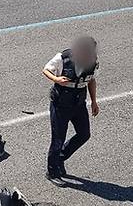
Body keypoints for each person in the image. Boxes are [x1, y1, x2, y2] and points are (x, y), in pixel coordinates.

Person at [42, 36, 100, 187]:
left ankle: (60, 158)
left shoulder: (92, 61)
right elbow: (46, 69)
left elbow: (91, 80)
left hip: (79, 103)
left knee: (84, 134)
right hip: (61, 104)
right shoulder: (63, 58)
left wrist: (94, 101)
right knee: (58, 139)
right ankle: (52, 171)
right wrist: (56, 79)